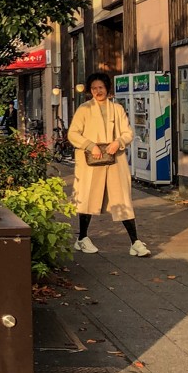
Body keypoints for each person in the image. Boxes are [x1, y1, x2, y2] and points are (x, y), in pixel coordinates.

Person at [67, 72, 151, 257]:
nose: (98, 91)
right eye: (94, 88)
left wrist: (118, 142)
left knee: (122, 199)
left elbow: (128, 133)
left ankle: (135, 242)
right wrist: (90, 146)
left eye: (101, 88)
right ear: (90, 91)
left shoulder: (117, 109)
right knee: (88, 198)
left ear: (107, 89)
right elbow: (73, 134)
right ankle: (82, 238)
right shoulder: (84, 109)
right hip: (91, 160)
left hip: (115, 160)